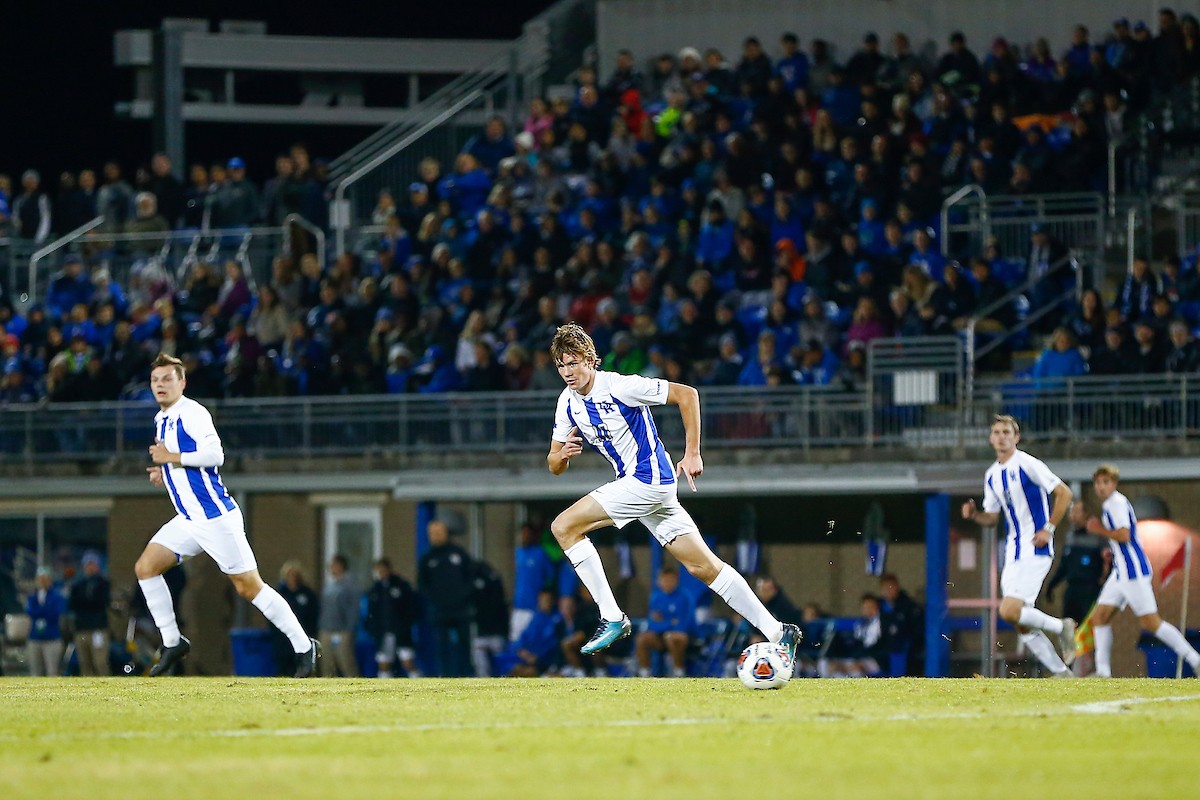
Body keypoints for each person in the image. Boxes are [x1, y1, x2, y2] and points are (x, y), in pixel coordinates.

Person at [545, 323, 801, 661]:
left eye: (574, 362)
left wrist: (692, 451)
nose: (567, 371)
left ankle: (611, 616)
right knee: (704, 567)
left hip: (646, 480)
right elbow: (553, 462)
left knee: (563, 527)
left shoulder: (621, 386)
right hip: (649, 490)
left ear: (591, 360)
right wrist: (561, 457)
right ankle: (778, 631)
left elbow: (688, 394)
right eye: (561, 364)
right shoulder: (567, 403)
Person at [133, 353, 319, 677]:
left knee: (249, 587)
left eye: (167, 379)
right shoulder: (161, 419)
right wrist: (165, 472)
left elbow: (214, 454)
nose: (160, 385)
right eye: (155, 380)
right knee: (146, 567)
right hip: (188, 518)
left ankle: (304, 646)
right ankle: (173, 642)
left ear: (182, 382)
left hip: (214, 516)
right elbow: (183, 464)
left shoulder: (193, 413)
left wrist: (172, 458)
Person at [961, 414, 1076, 677]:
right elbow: (991, 518)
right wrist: (975, 515)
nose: (1001, 437)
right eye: (997, 432)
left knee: (1009, 610)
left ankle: (1062, 627)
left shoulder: (1027, 464)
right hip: (1012, 552)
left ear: (1017, 438)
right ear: (991, 439)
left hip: (1036, 548)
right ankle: (1063, 675)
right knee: (1018, 620)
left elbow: (1065, 493)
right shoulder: (992, 475)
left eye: (1006, 432)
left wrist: (1048, 529)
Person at [1085, 464, 1200, 678]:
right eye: (1098, 483)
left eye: (1106, 482)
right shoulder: (1111, 503)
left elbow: (1124, 535)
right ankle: (1102, 672)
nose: (1101, 487)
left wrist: (1098, 529)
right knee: (1099, 617)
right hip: (1120, 572)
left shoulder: (1116, 503)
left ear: (1114, 483)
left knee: (1151, 623)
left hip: (1133, 571)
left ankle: (1195, 659)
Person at [418, 519, 475, 677]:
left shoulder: (458, 553)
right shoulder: (427, 558)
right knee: (441, 645)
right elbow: (422, 584)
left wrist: (464, 596)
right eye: (433, 533)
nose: (436, 536)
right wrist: (434, 601)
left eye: (439, 532)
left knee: (464, 644)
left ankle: (466, 675)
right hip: (439, 611)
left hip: (461, 609)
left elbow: (470, 577)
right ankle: (444, 675)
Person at [1047, 503, 1109, 627]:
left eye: (1076, 512)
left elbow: (1107, 562)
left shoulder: (1097, 537)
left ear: (1085, 514)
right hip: (1072, 588)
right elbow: (1064, 566)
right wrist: (1052, 585)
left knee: (1088, 626)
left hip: (1090, 589)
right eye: (1071, 512)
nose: (1072, 515)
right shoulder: (1070, 536)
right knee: (1069, 625)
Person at [365, 557, 422, 679]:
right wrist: (373, 629)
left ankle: (419, 684)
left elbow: (411, 608)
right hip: (383, 633)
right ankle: (385, 689)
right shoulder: (375, 590)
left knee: (407, 662)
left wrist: (406, 625)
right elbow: (371, 613)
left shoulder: (401, 586)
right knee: (384, 663)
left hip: (401, 632)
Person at [636, 566, 695, 677]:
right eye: (665, 580)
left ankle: (678, 671)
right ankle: (644, 673)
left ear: (676, 581)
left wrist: (663, 623)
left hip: (684, 637)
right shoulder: (656, 598)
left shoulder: (685, 597)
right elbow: (652, 624)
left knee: (671, 637)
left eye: (671, 580)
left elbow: (684, 624)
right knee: (642, 639)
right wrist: (670, 623)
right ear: (659, 581)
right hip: (661, 636)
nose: (668, 583)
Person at [500, 588, 565, 677]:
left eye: (547, 600)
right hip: (526, 657)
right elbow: (523, 637)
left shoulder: (557, 619)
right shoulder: (536, 618)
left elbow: (553, 644)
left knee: (525, 672)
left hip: (543, 660)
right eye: (542, 600)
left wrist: (537, 657)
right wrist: (520, 650)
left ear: (553, 601)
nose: (544, 602)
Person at [68, 551, 111, 676]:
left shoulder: (103, 583)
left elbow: (101, 602)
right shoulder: (78, 585)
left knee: (100, 661)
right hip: (82, 628)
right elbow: (72, 604)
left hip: (98, 628)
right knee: (84, 662)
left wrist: (85, 604)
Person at [273, 561, 319, 677]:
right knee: (283, 668)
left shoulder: (307, 594)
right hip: (283, 639)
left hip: (302, 635)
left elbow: (313, 614)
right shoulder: (280, 593)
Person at [511, 523, 556, 641]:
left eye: (526, 533)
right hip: (518, 606)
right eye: (521, 533)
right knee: (516, 642)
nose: (523, 536)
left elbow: (550, 578)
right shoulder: (518, 553)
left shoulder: (540, 554)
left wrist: (545, 599)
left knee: (531, 641)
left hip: (534, 607)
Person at [318, 554, 361, 677]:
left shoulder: (349, 585)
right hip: (327, 629)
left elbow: (353, 609)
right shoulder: (330, 586)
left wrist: (349, 629)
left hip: (342, 631)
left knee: (346, 663)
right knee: (327, 664)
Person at [471, 559, 509, 677]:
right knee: (483, 660)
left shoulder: (491, 582)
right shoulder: (494, 580)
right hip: (486, 632)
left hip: (493, 633)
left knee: (498, 661)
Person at [26, 567, 66, 676]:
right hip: (35, 637)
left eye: (45, 578)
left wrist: (40, 611)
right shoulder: (33, 596)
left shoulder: (56, 596)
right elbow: (30, 611)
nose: (42, 581)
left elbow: (56, 612)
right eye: (40, 578)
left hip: (52, 638)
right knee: (35, 671)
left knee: (52, 671)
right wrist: (45, 610)